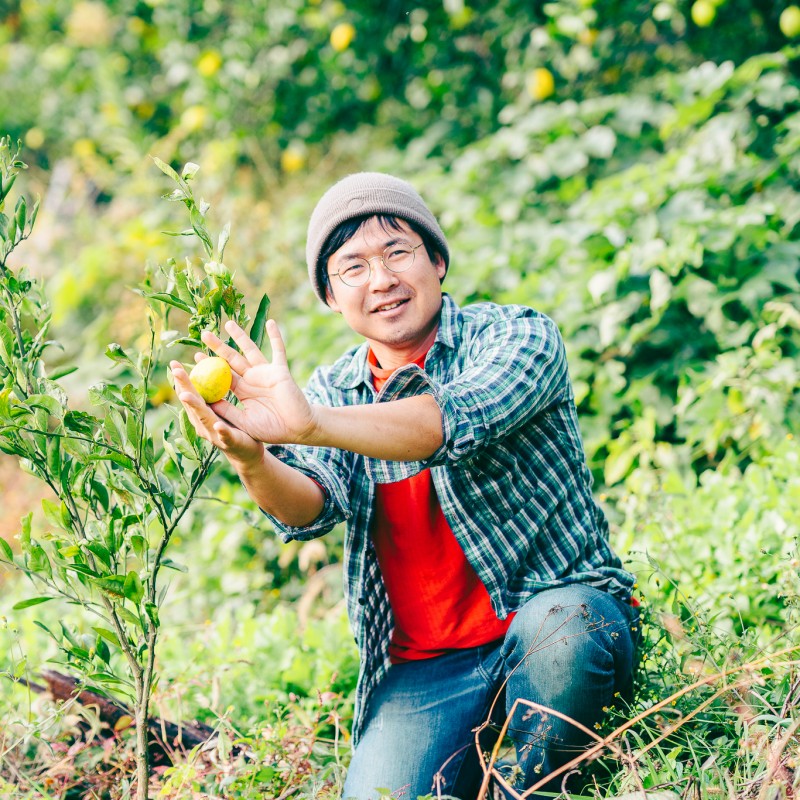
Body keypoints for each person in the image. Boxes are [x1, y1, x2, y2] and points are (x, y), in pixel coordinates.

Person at [170, 172, 639, 799]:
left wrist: (311, 424)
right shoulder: (333, 390)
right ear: (331, 296)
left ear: (437, 261)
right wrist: (252, 459)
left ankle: (523, 785)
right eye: (353, 267)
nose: (382, 279)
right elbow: (309, 506)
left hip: (549, 617)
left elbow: (450, 421)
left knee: (564, 635)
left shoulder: (518, 336)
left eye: (398, 252)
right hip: (428, 665)